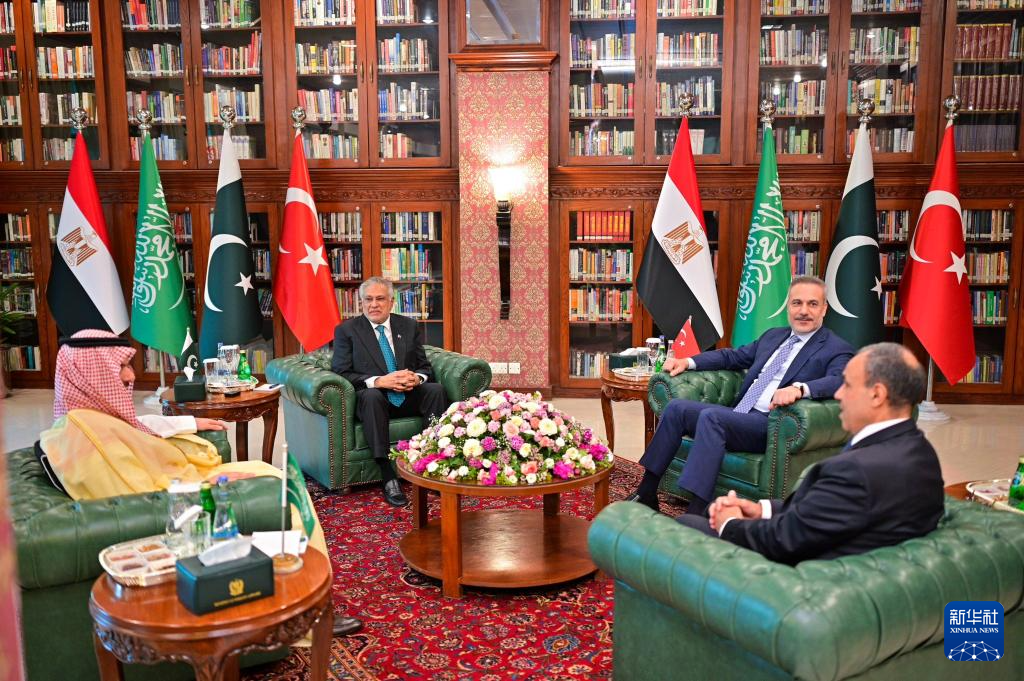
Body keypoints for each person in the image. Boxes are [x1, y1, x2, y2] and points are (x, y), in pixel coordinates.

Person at [45, 330, 364, 636]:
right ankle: (309, 615)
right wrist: (213, 484)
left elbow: (132, 427)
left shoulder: (85, 417)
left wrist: (189, 422)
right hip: (184, 493)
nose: (131, 376)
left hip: (182, 478)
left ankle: (305, 601)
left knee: (267, 471)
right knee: (285, 497)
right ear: (91, 374)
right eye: (121, 367)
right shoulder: (87, 435)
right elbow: (142, 496)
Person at [676, 342, 944, 565]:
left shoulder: (856, 471)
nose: (838, 394)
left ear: (877, 395)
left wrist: (730, 524)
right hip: (841, 553)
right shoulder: (921, 452)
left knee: (686, 526)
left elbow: (784, 542)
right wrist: (761, 509)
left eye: (847, 385)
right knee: (706, 513)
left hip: (803, 579)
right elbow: (829, 514)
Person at [625, 276, 854, 515]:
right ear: (788, 306)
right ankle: (647, 491)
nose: (803, 311)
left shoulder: (836, 347)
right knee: (676, 409)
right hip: (740, 414)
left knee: (712, 418)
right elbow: (732, 357)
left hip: (769, 423)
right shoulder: (774, 336)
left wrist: (800, 388)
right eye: (797, 303)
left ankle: (697, 511)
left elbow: (840, 379)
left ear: (824, 308)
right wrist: (688, 362)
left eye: (812, 304)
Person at [331, 276, 448, 507]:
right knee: (372, 396)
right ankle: (388, 475)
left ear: (391, 302)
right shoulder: (347, 330)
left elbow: (424, 367)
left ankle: (430, 462)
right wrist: (379, 381)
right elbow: (341, 372)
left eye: (380, 299)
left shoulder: (408, 326)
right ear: (362, 302)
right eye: (368, 299)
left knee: (435, 390)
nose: (374, 305)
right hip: (374, 399)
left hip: (406, 394)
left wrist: (416, 378)